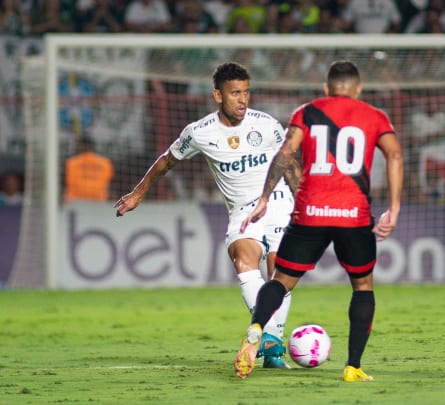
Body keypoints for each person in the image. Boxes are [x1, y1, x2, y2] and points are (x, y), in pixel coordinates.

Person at [114, 62, 296, 369]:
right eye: (235, 93)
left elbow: (289, 163)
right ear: (217, 95)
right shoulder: (199, 133)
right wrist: (138, 193)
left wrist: (304, 199)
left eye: (246, 92)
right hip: (242, 210)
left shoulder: (266, 124)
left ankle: (271, 345)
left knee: (279, 274)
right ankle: (271, 341)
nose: (243, 100)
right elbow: (165, 161)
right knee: (243, 259)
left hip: (278, 202)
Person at [234, 60, 404, 382]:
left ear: (327, 88)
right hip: (353, 214)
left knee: (280, 282)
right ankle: (352, 366)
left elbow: (284, 155)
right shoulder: (375, 116)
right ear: (358, 89)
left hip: (310, 211)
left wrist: (265, 199)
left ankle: (256, 330)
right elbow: (394, 155)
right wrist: (393, 208)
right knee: (363, 286)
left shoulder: (307, 112)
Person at [64, 134, 115, 202]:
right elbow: (110, 185)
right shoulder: (105, 163)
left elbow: (65, 183)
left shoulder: (71, 163)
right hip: (99, 203)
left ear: (81, 145)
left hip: (75, 203)